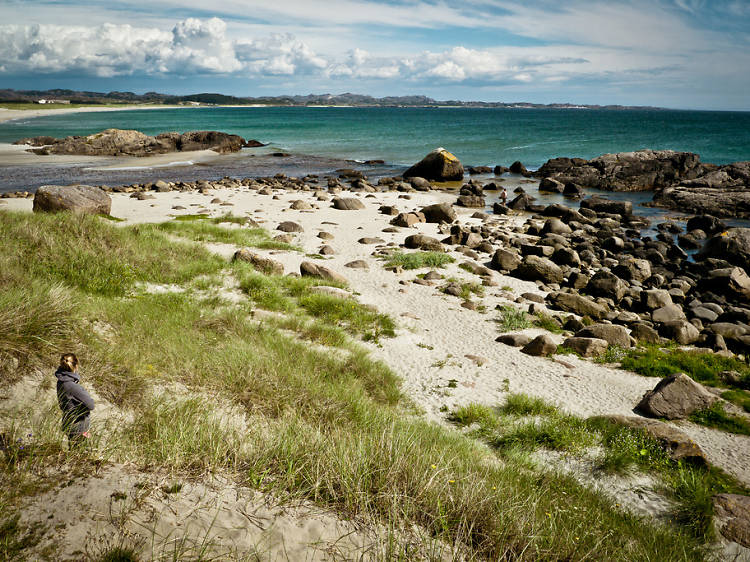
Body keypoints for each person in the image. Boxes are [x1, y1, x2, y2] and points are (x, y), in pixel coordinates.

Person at [55, 353, 95, 448]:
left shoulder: (61, 381)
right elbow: (91, 405)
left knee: (74, 452)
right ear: (76, 366)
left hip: (69, 422)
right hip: (78, 426)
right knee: (81, 454)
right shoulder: (72, 386)